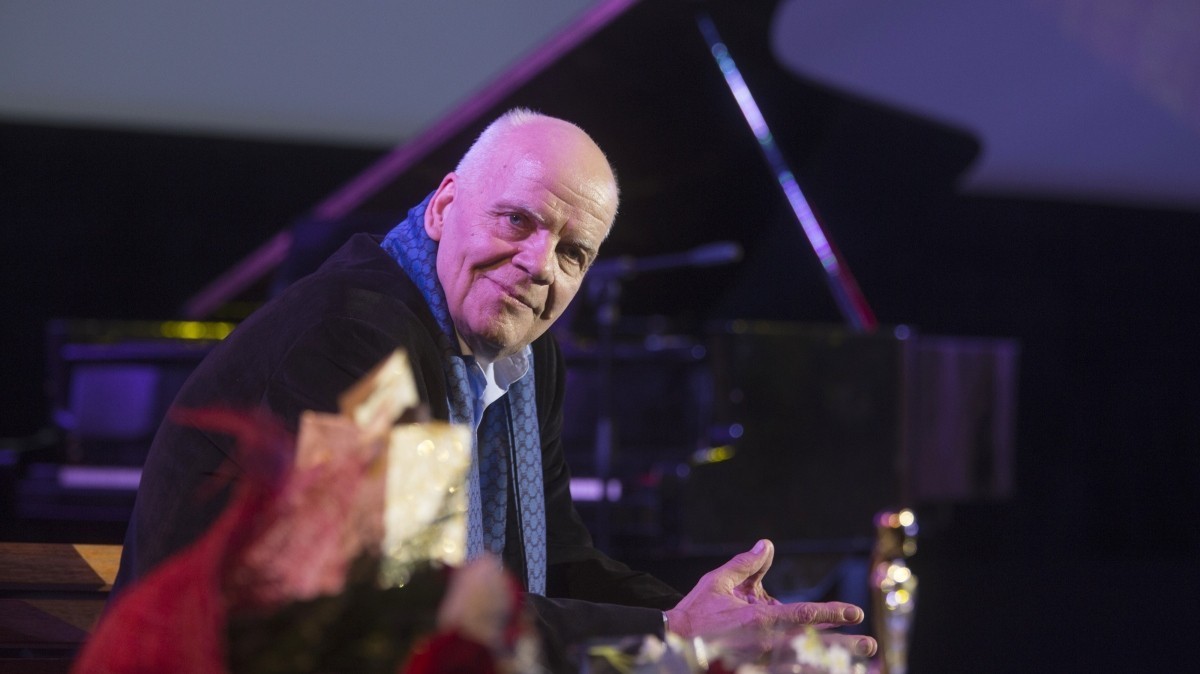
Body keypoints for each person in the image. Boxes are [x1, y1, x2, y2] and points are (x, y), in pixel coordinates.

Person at [114, 109, 876, 668]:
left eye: (573, 254)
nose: (540, 264)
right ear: (444, 207)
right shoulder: (360, 340)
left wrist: (724, 622)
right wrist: (675, 634)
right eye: (516, 221)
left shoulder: (525, 357)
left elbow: (560, 558)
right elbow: (398, 602)